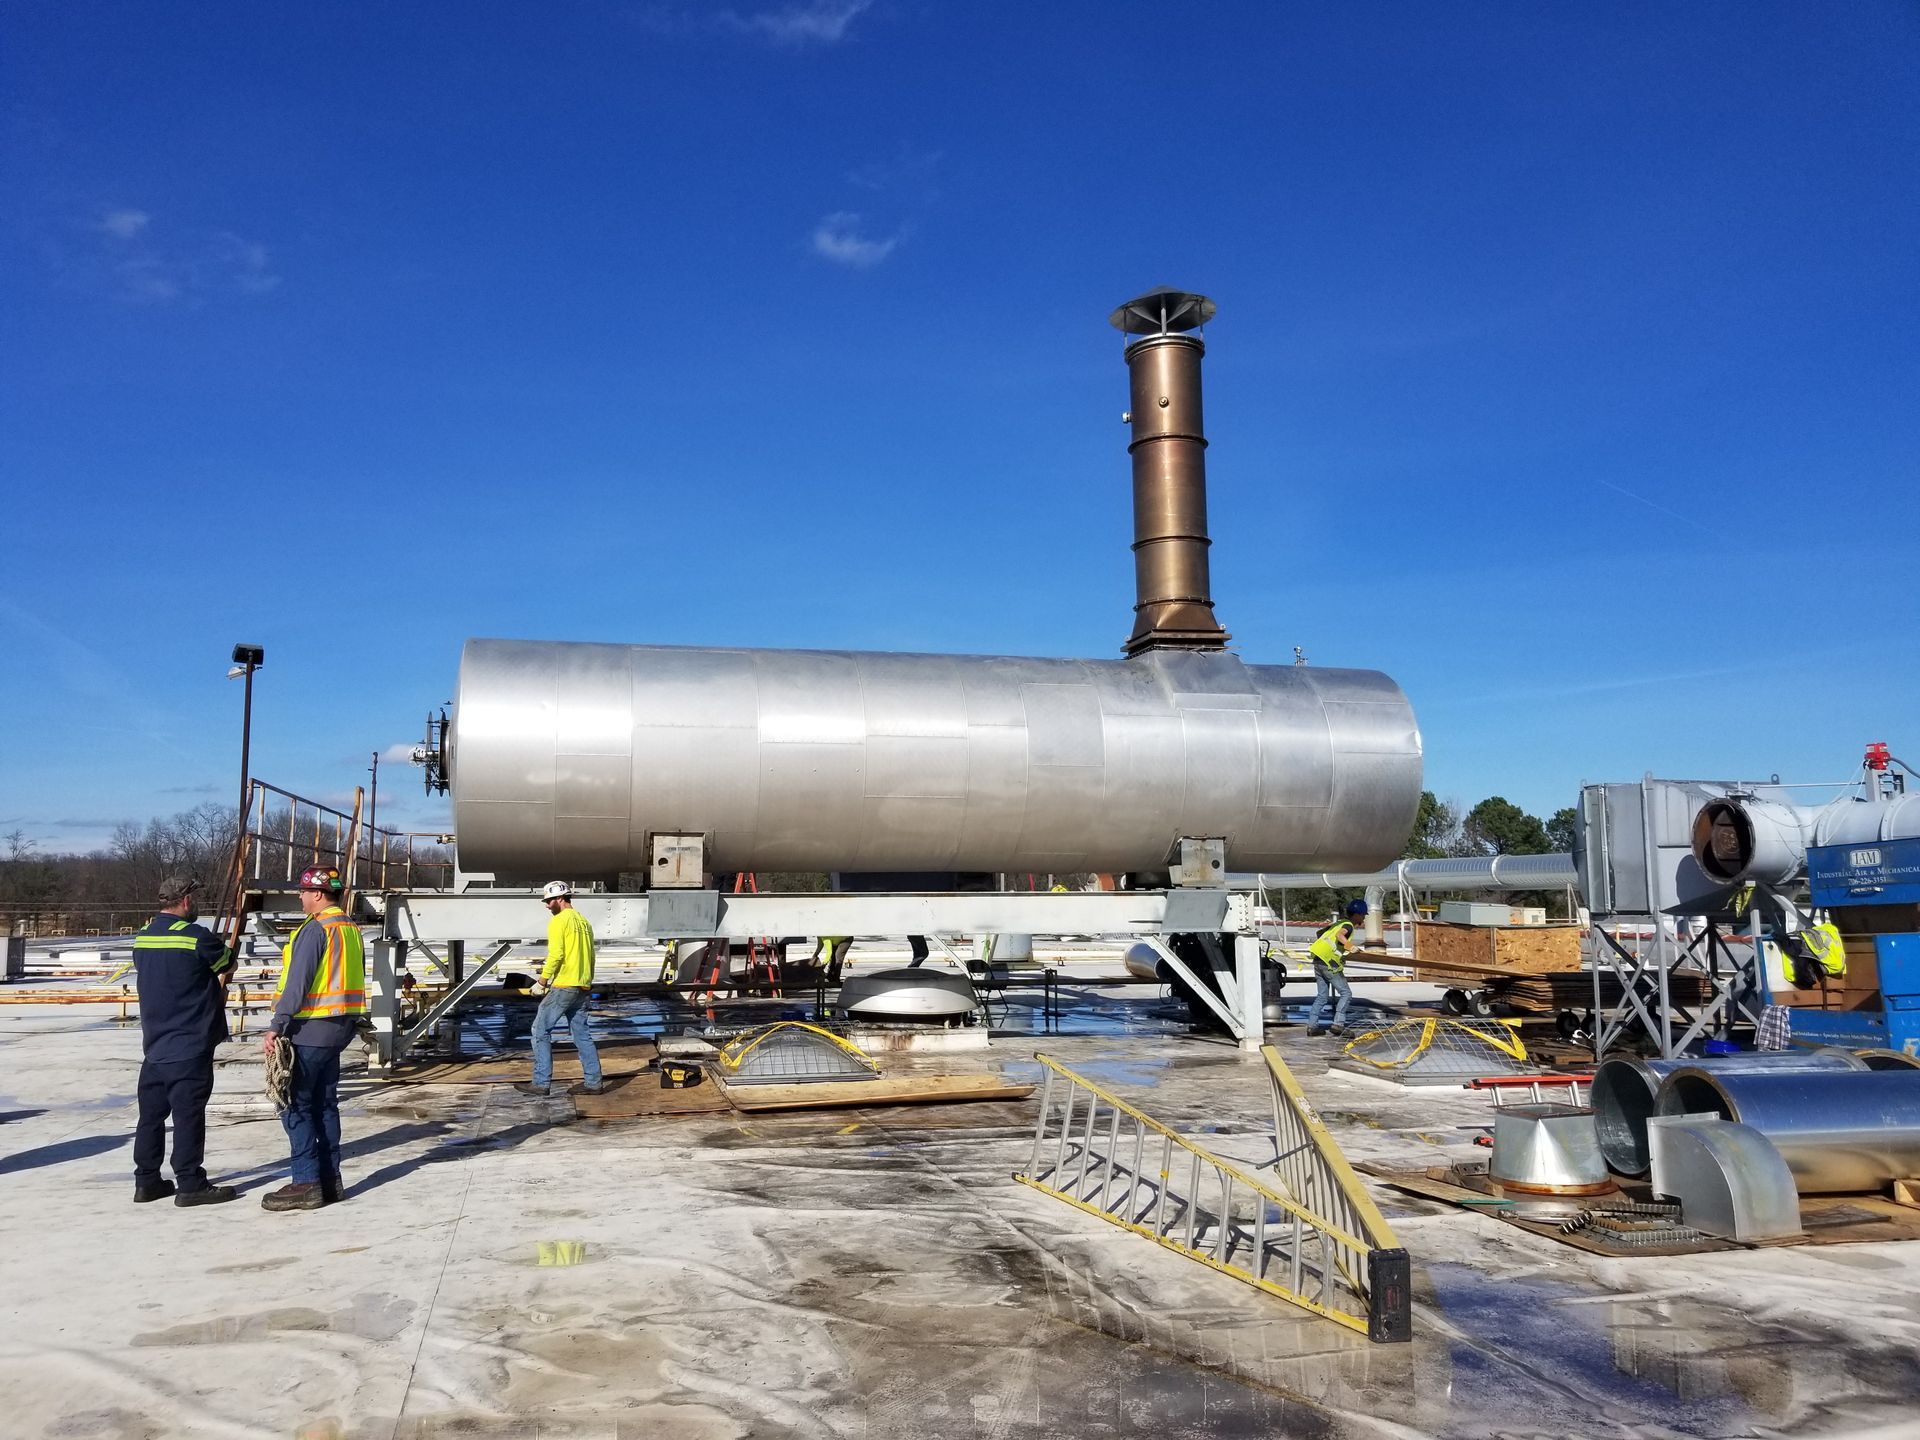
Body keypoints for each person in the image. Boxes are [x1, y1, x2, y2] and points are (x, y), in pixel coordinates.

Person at [260, 866, 365, 1211]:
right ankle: (330, 1179)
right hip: (339, 1029)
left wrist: (278, 1024)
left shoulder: (316, 929)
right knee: (325, 1104)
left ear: (318, 894)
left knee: (294, 1104)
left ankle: (305, 1181)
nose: (301, 899)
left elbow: (298, 983)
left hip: (310, 1028)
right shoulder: (349, 928)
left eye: (303, 893)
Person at [131, 875, 238, 1206]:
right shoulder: (195, 937)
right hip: (189, 1044)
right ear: (187, 900)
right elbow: (226, 962)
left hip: (156, 1045)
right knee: (188, 1115)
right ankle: (190, 1183)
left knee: (151, 1117)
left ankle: (146, 1181)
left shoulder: (143, 938)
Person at [516, 881, 605, 1097]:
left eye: (549, 900)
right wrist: (587, 981)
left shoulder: (559, 921)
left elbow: (556, 955)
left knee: (539, 1030)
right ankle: (593, 1083)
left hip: (565, 984)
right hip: (582, 985)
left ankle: (540, 1082)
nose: (547, 905)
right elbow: (591, 956)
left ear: (560, 899)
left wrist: (542, 982)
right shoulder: (584, 922)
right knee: (582, 1034)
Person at [1305, 899, 1368, 1038]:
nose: (1363, 918)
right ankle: (1338, 1025)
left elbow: (1320, 934)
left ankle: (1312, 1026)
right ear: (1357, 914)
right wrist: (1350, 946)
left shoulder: (1337, 923)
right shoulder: (1348, 925)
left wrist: (1340, 955)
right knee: (1346, 993)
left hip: (1318, 961)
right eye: (1363, 915)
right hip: (1329, 964)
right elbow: (1340, 936)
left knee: (1322, 996)